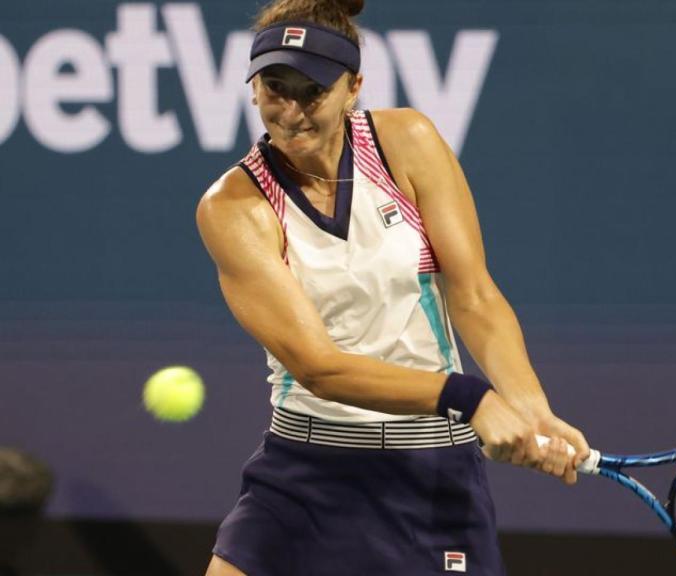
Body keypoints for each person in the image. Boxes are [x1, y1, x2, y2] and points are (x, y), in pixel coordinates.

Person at [196, 0, 590, 574]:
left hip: (429, 472)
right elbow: (318, 368)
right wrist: (470, 397)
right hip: (303, 473)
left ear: (353, 87)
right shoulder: (232, 207)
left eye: (314, 91)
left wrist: (532, 410)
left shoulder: (407, 141)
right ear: (254, 89)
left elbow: (474, 294)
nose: (292, 111)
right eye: (275, 88)